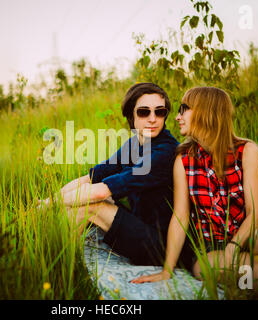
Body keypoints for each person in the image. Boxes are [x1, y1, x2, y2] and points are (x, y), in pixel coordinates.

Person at [130, 86, 258, 290]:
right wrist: (167, 270)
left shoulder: (247, 151)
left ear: (206, 112)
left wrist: (235, 246)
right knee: (255, 267)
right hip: (211, 249)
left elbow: (255, 213)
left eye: (184, 109)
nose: (177, 117)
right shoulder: (183, 160)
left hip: (250, 235)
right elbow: (181, 217)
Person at [40, 82, 179, 266]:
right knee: (80, 198)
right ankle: (54, 255)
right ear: (131, 115)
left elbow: (101, 192)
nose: (153, 118)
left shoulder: (165, 151)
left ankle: (60, 265)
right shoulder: (134, 143)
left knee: (90, 206)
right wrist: (50, 201)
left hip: (162, 246)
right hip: (140, 226)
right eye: (144, 112)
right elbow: (91, 178)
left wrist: (49, 204)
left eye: (159, 112)